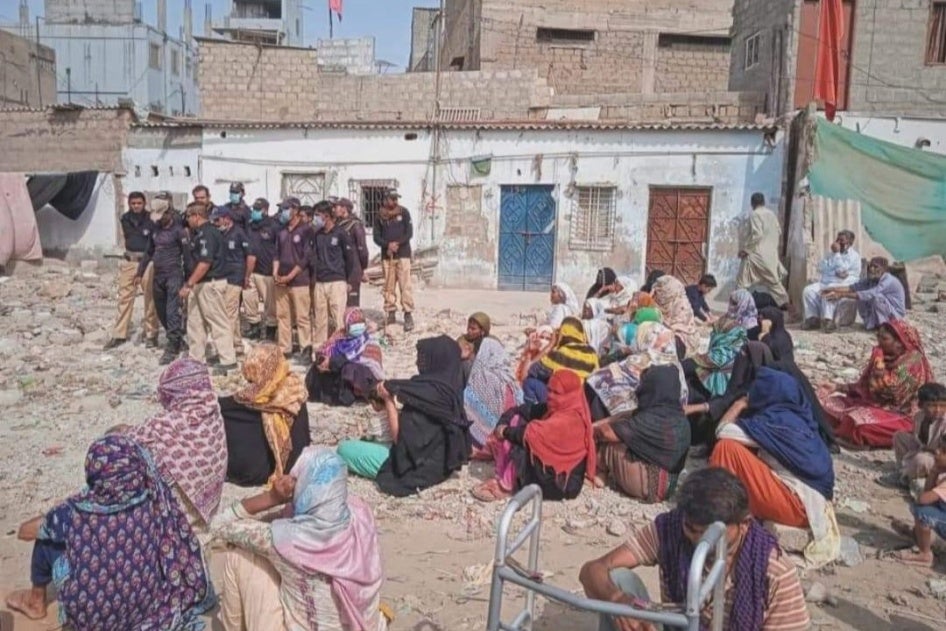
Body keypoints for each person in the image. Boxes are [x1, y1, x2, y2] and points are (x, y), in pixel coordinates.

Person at [6, 435, 214, 627]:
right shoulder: (153, 500)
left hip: (93, 618)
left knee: (47, 541)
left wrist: (60, 512)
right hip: (145, 604)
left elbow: (25, 531)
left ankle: (35, 601)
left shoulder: (73, 512)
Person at [579, 467, 810, 631]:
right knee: (619, 578)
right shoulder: (671, 530)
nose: (699, 540)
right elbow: (592, 570)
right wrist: (617, 599)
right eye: (692, 529)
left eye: (709, 534)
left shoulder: (774, 571)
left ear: (744, 524)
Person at [212, 447, 387, 631]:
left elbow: (218, 524)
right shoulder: (362, 517)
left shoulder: (289, 540)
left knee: (240, 557)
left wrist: (272, 497)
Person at [712, 370, 839, 567]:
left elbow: (722, 431)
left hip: (797, 506)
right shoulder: (802, 420)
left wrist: (739, 404)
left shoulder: (775, 423)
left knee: (726, 448)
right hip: (813, 505)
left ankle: (718, 514)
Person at [125, 358, 227, 531]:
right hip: (202, 517)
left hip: (167, 524)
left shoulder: (160, 427)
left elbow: (119, 450)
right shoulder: (212, 414)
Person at [473, 370, 596, 502]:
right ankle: (502, 477)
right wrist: (503, 423)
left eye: (556, 393)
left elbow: (528, 435)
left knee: (525, 442)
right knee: (516, 419)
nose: (550, 396)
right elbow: (522, 410)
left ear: (570, 395)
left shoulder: (571, 420)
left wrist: (504, 431)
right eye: (549, 390)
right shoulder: (554, 409)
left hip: (562, 484)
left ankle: (505, 487)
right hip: (550, 474)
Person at [370, 336, 472, 496]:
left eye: (422, 359)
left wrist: (388, 401)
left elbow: (400, 440)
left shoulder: (424, 397)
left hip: (416, 467)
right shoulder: (449, 389)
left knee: (346, 449)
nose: (418, 363)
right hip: (441, 464)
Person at [821, 319, 935, 448]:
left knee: (857, 423)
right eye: (878, 337)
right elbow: (864, 386)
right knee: (825, 405)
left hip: (901, 413)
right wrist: (837, 387)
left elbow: (893, 392)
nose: (879, 342)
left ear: (899, 342)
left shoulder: (913, 361)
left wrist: (879, 368)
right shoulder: (882, 356)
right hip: (873, 404)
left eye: (884, 339)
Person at [593, 365, 690, 503]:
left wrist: (594, 428)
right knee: (622, 432)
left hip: (649, 487)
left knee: (611, 440)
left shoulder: (651, 420)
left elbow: (607, 433)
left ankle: (600, 474)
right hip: (669, 486)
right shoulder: (678, 417)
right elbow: (630, 414)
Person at [221, 344, 311, 487]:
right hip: (296, 466)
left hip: (250, 474)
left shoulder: (246, 399)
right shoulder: (295, 390)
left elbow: (221, 405)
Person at [586, 321, 687, 420]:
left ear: (646, 339)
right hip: (664, 423)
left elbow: (597, 380)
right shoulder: (677, 368)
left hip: (622, 420)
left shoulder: (639, 361)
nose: (634, 341)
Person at [180, 201, 236, 375]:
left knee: (218, 322)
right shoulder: (199, 234)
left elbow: (205, 263)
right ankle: (196, 359)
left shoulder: (208, 234)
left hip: (210, 283)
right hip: (199, 284)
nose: (187, 220)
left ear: (197, 216)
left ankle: (228, 360)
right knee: (195, 323)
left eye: (189, 216)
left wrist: (189, 284)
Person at [136, 192, 189, 365]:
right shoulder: (155, 229)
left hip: (173, 275)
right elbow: (148, 252)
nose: (159, 219)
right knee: (160, 310)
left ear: (168, 212)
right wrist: (140, 272)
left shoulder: (179, 231)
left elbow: (187, 256)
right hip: (158, 275)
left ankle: (172, 346)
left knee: (172, 310)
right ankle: (177, 338)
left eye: (161, 216)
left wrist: (188, 282)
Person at [105, 190, 160, 350]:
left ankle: (151, 334)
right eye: (133, 203)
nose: (136, 206)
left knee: (150, 299)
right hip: (130, 261)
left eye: (139, 203)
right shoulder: (125, 219)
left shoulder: (151, 219)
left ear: (144, 203)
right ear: (129, 204)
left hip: (147, 262)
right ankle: (119, 334)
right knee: (124, 297)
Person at [306, 307, 384, 407]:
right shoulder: (340, 335)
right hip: (336, 369)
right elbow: (324, 348)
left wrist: (332, 362)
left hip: (363, 376)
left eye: (359, 323)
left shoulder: (368, 339)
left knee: (349, 369)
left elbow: (358, 360)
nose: (357, 327)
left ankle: (355, 397)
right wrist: (323, 359)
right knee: (318, 366)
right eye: (353, 324)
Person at [684, 297, 752, 402]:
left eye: (716, 331)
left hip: (718, 392)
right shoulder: (739, 338)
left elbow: (709, 360)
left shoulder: (725, 352)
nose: (712, 333)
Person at [311, 200, 356, 350]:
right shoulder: (317, 235)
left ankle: (339, 350)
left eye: (317, 215)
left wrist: (348, 280)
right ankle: (320, 351)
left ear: (326, 216)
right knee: (320, 320)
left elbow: (350, 259)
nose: (315, 218)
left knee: (338, 319)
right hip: (320, 282)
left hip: (337, 281)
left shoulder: (341, 234)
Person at [523, 316, 599, 404]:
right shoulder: (591, 353)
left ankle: (536, 411)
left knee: (530, 383)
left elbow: (531, 370)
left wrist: (551, 345)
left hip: (562, 402)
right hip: (584, 402)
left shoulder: (559, 354)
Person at [213, 205, 256, 359]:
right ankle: (236, 345)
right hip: (222, 277)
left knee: (228, 314)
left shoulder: (239, 233)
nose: (216, 223)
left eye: (218, 220)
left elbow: (251, 256)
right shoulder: (220, 234)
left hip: (235, 277)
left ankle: (227, 349)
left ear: (227, 218)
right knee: (230, 314)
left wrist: (247, 276)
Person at [464, 337, 523, 448]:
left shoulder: (481, 376)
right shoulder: (509, 377)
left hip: (484, 442)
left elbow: (468, 410)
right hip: (510, 436)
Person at [274, 197, 313, 361]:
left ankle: (305, 348)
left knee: (302, 316)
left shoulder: (306, 230)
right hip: (281, 280)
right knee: (283, 316)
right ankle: (285, 348)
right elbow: (276, 254)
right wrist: (275, 273)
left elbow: (305, 258)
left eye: (285, 209)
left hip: (299, 280)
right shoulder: (281, 231)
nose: (282, 212)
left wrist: (290, 276)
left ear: (295, 210)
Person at [822, 256, 906, 331]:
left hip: (895, 315)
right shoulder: (871, 280)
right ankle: (873, 324)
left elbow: (871, 294)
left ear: (884, 269)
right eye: (870, 266)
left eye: (875, 267)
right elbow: (852, 288)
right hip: (884, 311)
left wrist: (841, 295)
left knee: (875, 298)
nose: (871, 269)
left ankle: (884, 326)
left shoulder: (888, 280)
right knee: (860, 296)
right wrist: (832, 289)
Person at [887, 383, 946, 487]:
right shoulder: (919, 417)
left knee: (921, 460)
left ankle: (905, 476)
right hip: (924, 449)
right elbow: (917, 438)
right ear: (921, 405)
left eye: (942, 406)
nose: (938, 410)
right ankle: (905, 469)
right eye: (932, 406)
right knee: (899, 436)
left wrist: (929, 453)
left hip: (940, 459)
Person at [737, 192, 789, 308]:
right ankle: (790, 308)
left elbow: (757, 234)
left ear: (752, 203)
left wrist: (745, 250)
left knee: (742, 282)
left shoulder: (755, 214)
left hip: (756, 255)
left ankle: (738, 308)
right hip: (771, 255)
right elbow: (778, 232)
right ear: (764, 202)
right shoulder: (771, 214)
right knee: (774, 283)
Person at [802, 231, 861, 331]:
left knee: (828, 291)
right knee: (808, 290)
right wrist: (834, 270)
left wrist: (837, 255)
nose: (838, 242)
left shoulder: (854, 256)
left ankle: (828, 320)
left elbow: (842, 270)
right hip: (826, 282)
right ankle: (813, 318)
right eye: (837, 239)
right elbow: (821, 267)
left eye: (841, 240)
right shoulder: (830, 254)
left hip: (843, 284)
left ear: (849, 243)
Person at [374, 189, 415, 331]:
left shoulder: (404, 212)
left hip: (403, 254)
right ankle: (390, 313)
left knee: (405, 285)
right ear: (386, 200)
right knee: (389, 286)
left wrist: (397, 244)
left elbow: (409, 233)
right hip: (387, 257)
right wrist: (387, 245)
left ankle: (408, 314)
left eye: (396, 198)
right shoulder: (380, 216)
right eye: (392, 198)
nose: (395, 201)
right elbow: (376, 237)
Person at [243, 197, 278, 341]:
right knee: (249, 300)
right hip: (251, 270)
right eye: (254, 209)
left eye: (257, 209)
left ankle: (270, 332)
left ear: (265, 210)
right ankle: (254, 328)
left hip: (266, 271)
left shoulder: (273, 226)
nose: (254, 212)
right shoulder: (250, 226)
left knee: (270, 305)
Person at [650, 275, 700, 357]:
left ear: (668, 291)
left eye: (661, 291)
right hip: (668, 336)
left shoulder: (681, 305)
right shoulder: (664, 301)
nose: (658, 294)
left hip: (683, 340)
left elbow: (674, 328)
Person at [334, 197, 370, 307]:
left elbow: (363, 250)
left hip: (353, 269)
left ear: (344, 209)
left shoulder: (355, 225)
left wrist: (362, 268)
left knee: (352, 303)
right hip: (340, 269)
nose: (334, 209)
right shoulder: (338, 224)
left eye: (337, 207)